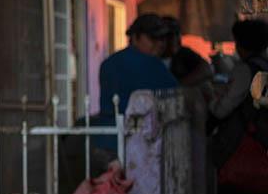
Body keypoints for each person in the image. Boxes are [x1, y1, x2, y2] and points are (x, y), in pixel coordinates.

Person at [210, 18, 268, 194]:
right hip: (262, 150)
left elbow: (223, 109)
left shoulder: (246, 71)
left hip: (245, 152)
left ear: (241, 44)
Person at [91, 13, 178, 154]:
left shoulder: (108, 63)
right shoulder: (154, 65)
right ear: (135, 37)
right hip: (141, 143)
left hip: (107, 141)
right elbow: (177, 95)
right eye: (153, 38)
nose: (160, 44)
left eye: (162, 39)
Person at [161, 15, 214, 90]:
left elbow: (207, 69)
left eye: (177, 34)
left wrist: (179, 86)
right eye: (169, 35)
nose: (174, 39)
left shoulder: (184, 53)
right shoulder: (150, 56)